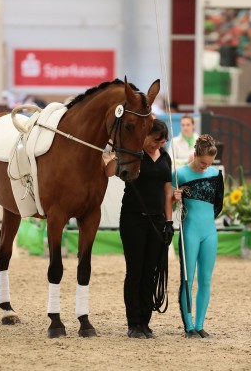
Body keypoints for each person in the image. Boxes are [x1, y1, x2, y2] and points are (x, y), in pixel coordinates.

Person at [106, 119, 174, 339]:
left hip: (157, 221)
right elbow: (109, 172)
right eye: (155, 140)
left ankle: (145, 321)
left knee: (151, 273)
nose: (158, 145)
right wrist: (112, 156)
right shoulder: (134, 155)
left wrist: (169, 222)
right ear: (145, 136)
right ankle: (133, 322)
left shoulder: (165, 158)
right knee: (135, 271)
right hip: (133, 218)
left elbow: (167, 192)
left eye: (162, 142)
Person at [172, 134, 224, 339]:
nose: (205, 166)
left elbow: (218, 204)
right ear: (194, 155)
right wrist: (175, 197)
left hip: (210, 232)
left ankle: (200, 325)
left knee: (205, 280)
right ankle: (189, 326)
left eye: (209, 163)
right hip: (190, 232)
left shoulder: (216, 174)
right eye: (202, 162)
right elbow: (170, 203)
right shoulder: (180, 174)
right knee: (187, 279)